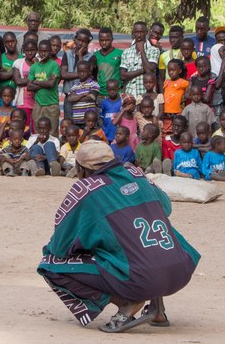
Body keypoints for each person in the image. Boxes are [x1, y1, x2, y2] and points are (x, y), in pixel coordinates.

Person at [37, 140, 200, 333]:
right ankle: (157, 309)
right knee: (143, 234)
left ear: (81, 169)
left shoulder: (85, 190)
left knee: (50, 263)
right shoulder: (136, 173)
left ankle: (127, 302)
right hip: (180, 268)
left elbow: (59, 247)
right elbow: (166, 207)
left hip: (142, 277)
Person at [28, 40, 61, 136]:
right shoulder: (34, 67)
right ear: (38, 51)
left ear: (50, 51)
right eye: (41, 51)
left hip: (52, 104)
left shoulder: (54, 65)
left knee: (52, 133)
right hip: (38, 104)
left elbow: (51, 84)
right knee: (38, 133)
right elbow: (29, 86)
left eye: (46, 51)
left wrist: (36, 82)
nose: (43, 53)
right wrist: (44, 83)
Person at [60, 29, 94, 121]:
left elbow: (86, 78)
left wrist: (80, 55)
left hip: (84, 98)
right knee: (69, 127)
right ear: (75, 40)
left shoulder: (92, 57)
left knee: (82, 126)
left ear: (88, 43)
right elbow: (63, 74)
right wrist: (82, 74)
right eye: (79, 40)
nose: (81, 43)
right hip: (70, 97)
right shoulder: (67, 54)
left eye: (84, 41)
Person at [120, 22, 160, 97]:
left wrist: (142, 50)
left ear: (146, 32)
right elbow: (123, 75)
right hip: (129, 94)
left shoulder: (154, 50)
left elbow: (149, 71)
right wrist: (142, 70)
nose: (138, 35)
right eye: (136, 32)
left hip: (146, 95)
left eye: (141, 32)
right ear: (133, 33)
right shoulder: (126, 52)